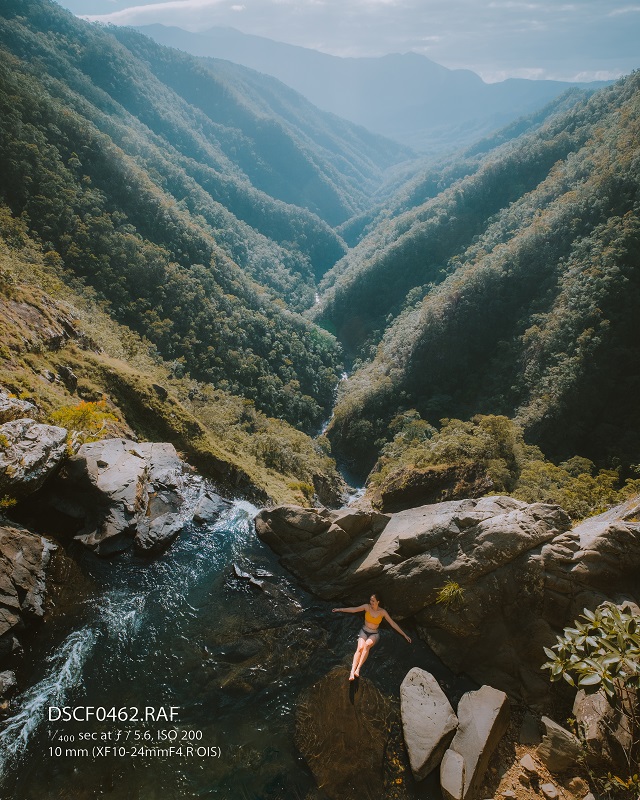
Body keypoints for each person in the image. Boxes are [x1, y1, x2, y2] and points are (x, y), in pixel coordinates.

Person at [332, 592, 411, 680]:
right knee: (360, 647)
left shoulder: (382, 612)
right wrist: (339, 609)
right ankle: (352, 671)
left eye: (373, 601)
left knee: (367, 645)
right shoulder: (367, 607)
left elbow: (392, 623)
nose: (371, 602)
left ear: (378, 602)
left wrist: (404, 635)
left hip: (374, 634)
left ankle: (358, 669)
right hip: (364, 631)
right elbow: (354, 609)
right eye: (370, 600)